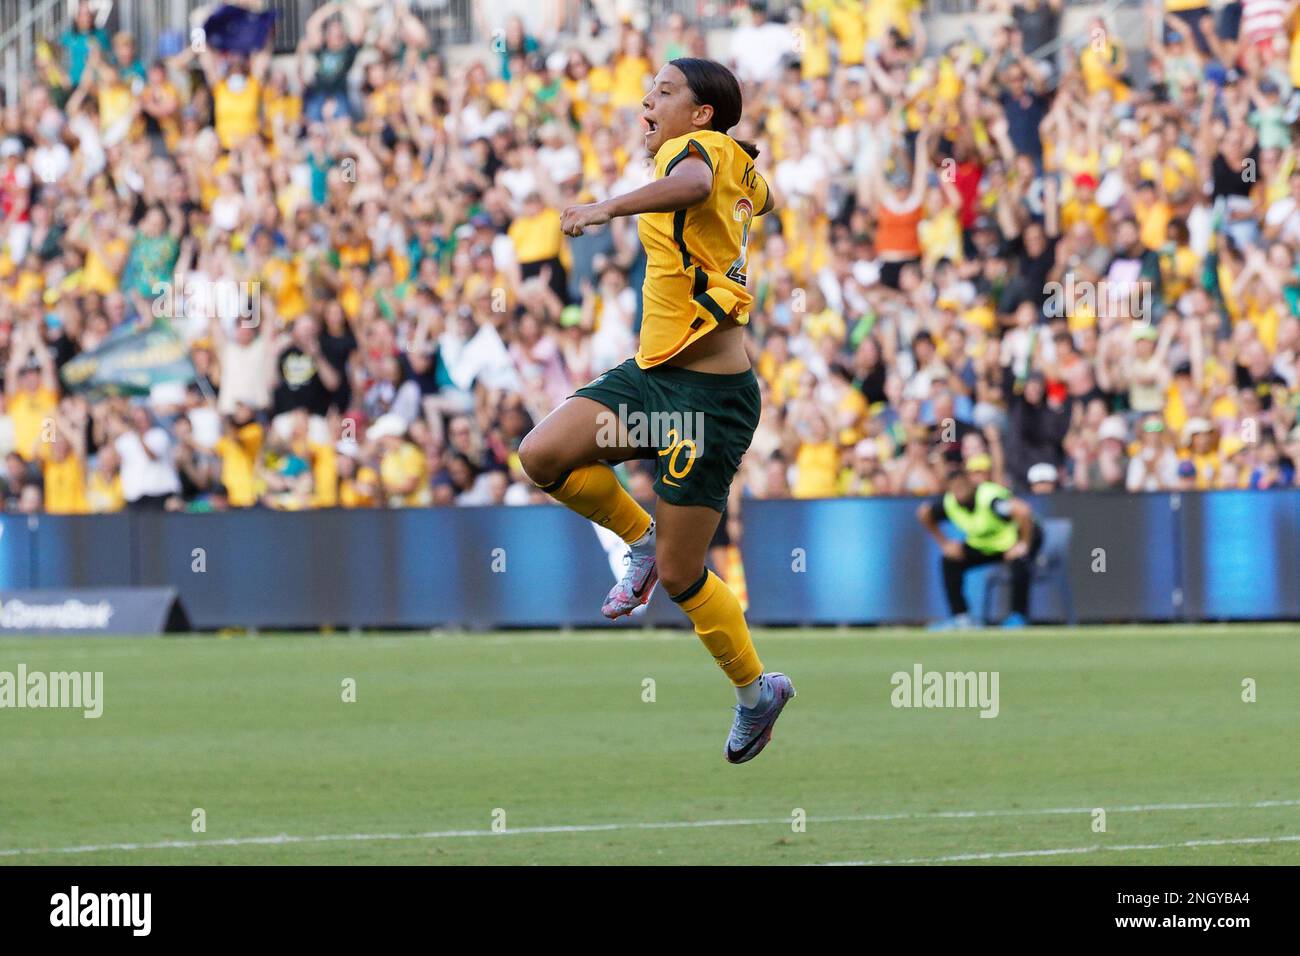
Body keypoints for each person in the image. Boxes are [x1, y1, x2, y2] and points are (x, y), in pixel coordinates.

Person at [519, 58, 793, 764]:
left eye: (666, 92)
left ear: (700, 113)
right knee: (543, 454)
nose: (650, 100)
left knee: (682, 576)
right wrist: (741, 183)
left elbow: (699, 182)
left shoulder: (690, 153)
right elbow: (759, 199)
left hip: (707, 405)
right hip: (651, 381)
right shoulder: (730, 157)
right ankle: (636, 540)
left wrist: (606, 207)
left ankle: (756, 694)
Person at [915, 465, 1043, 629]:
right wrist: (945, 543)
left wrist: (1023, 544)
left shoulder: (990, 499)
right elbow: (924, 513)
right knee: (949, 561)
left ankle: (1018, 616)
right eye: (954, 488)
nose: (959, 491)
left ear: (970, 483)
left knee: (1019, 561)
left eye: (962, 486)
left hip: (1012, 542)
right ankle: (962, 617)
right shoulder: (950, 503)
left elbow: (1023, 512)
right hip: (985, 546)